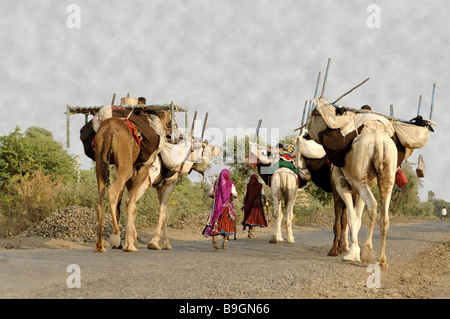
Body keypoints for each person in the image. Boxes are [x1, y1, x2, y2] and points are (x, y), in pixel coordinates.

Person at [203, 169, 238, 249]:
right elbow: (235, 194)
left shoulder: (216, 183)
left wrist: (217, 197)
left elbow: (210, 194)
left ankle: (215, 238)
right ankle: (224, 243)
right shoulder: (230, 184)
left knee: (216, 222)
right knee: (227, 224)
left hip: (216, 207)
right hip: (226, 207)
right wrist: (235, 197)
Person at [242, 174, 268, 238]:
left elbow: (245, 196)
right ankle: (251, 233)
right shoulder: (260, 186)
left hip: (248, 203)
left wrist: (243, 204)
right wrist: (266, 202)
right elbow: (263, 194)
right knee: (254, 217)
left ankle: (249, 232)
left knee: (249, 217)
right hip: (256, 203)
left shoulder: (247, 185)